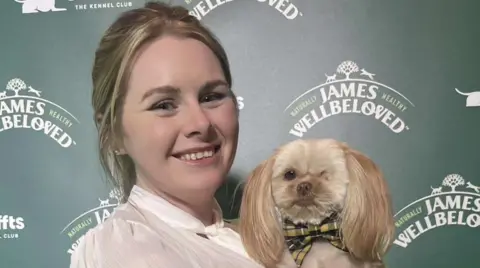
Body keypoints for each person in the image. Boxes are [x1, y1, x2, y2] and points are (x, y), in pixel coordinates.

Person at [70, 2, 263, 267]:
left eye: (211, 97)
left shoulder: (253, 239)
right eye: (164, 105)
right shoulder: (125, 248)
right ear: (114, 133)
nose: (200, 123)